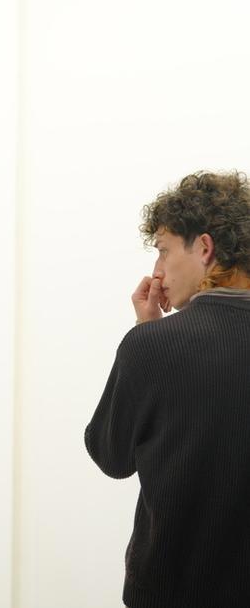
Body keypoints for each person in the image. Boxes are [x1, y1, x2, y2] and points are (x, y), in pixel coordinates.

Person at [86, 170, 250, 608]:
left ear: (204, 248)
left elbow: (112, 457)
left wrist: (146, 334)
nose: (157, 271)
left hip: (171, 590)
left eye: (163, 250)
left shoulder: (152, 347)